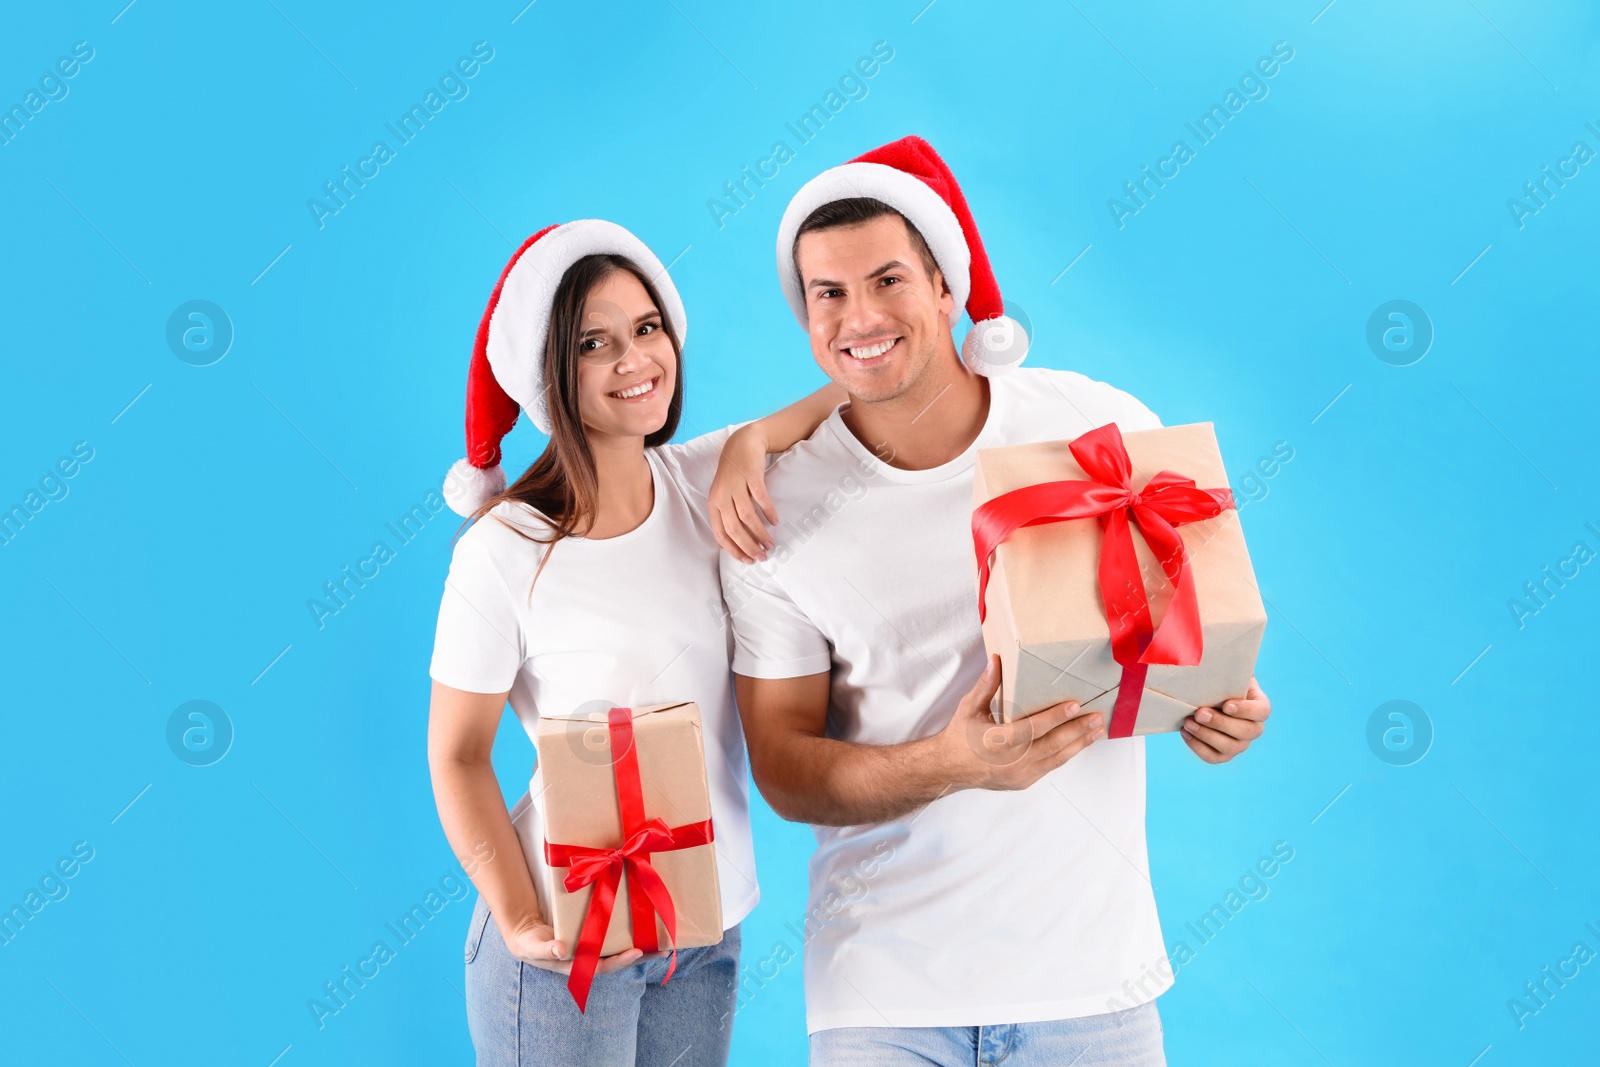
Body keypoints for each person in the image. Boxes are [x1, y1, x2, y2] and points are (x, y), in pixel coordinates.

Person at [720, 136, 1274, 1066]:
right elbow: (782, 767)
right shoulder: (774, 510)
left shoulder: (1093, 429)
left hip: (1093, 985)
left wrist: (1222, 707)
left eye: (889, 279)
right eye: (829, 293)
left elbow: (1187, 619)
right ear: (804, 314)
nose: (860, 315)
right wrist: (952, 761)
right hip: (881, 1000)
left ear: (948, 286)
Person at [426, 219, 842, 1066]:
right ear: (549, 371)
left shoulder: (704, 481)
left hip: (703, 925)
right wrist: (518, 917)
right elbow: (458, 756)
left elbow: (856, 394)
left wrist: (755, 440)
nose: (634, 359)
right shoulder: (505, 550)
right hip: (565, 936)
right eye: (594, 343)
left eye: (647, 328)